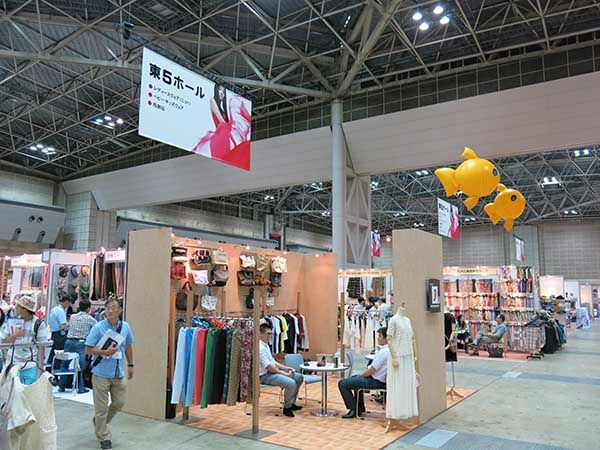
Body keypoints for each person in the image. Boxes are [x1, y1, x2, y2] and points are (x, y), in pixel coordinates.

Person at [85, 298, 134, 450]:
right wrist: (104, 352)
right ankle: (103, 437)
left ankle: (100, 422)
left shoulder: (125, 327)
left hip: (118, 373)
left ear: (120, 310)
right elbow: (88, 349)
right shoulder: (98, 327)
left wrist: (131, 364)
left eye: (113, 307)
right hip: (100, 373)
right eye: (107, 308)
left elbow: (128, 346)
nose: (110, 310)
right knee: (101, 409)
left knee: (119, 402)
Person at [338, 327, 389, 419]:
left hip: (375, 381)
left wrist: (361, 376)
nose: (378, 338)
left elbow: (372, 370)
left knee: (342, 383)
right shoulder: (388, 350)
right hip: (379, 380)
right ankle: (360, 407)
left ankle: (353, 409)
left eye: (380, 336)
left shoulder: (384, 352)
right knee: (354, 378)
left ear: (386, 338)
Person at [0, 294, 49, 384]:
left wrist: (41, 368)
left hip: (30, 365)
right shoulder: (11, 321)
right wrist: (15, 335)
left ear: (25, 309)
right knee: (11, 390)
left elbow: (42, 346)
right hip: (12, 364)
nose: (15, 308)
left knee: (27, 391)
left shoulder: (38, 324)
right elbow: (3, 341)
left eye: (18, 306)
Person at [258, 323, 304, 418]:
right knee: (291, 383)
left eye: (271, 333)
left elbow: (273, 362)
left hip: (272, 372)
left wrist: (286, 368)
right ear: (260, 334)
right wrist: (284, 373)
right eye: (268, 334)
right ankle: (287, 408)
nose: (270, 336)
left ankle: (291, 403)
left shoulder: (266, 345)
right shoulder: (260, 348)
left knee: (299, 377)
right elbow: (268, 366)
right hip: (264, 376)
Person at [59, 299, 97, 394]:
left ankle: (62, 386)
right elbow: (97, 328)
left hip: (69, 341)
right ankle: (80, 387)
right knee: (81, 366)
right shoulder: (90, 319)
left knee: (65, 364)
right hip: (81, 343)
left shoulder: (73, 316)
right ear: (88, 308)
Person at [48, 294, 71, 369]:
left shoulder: (54, 309)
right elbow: (62, 325)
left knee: (53, 353)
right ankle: (56, 370)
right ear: (66, 302)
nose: (68, 305)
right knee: (59, 353)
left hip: (54, 333)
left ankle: (49, 369)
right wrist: (70, 324)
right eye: (68, 303)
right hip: (60, 335)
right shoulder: (61, 311)